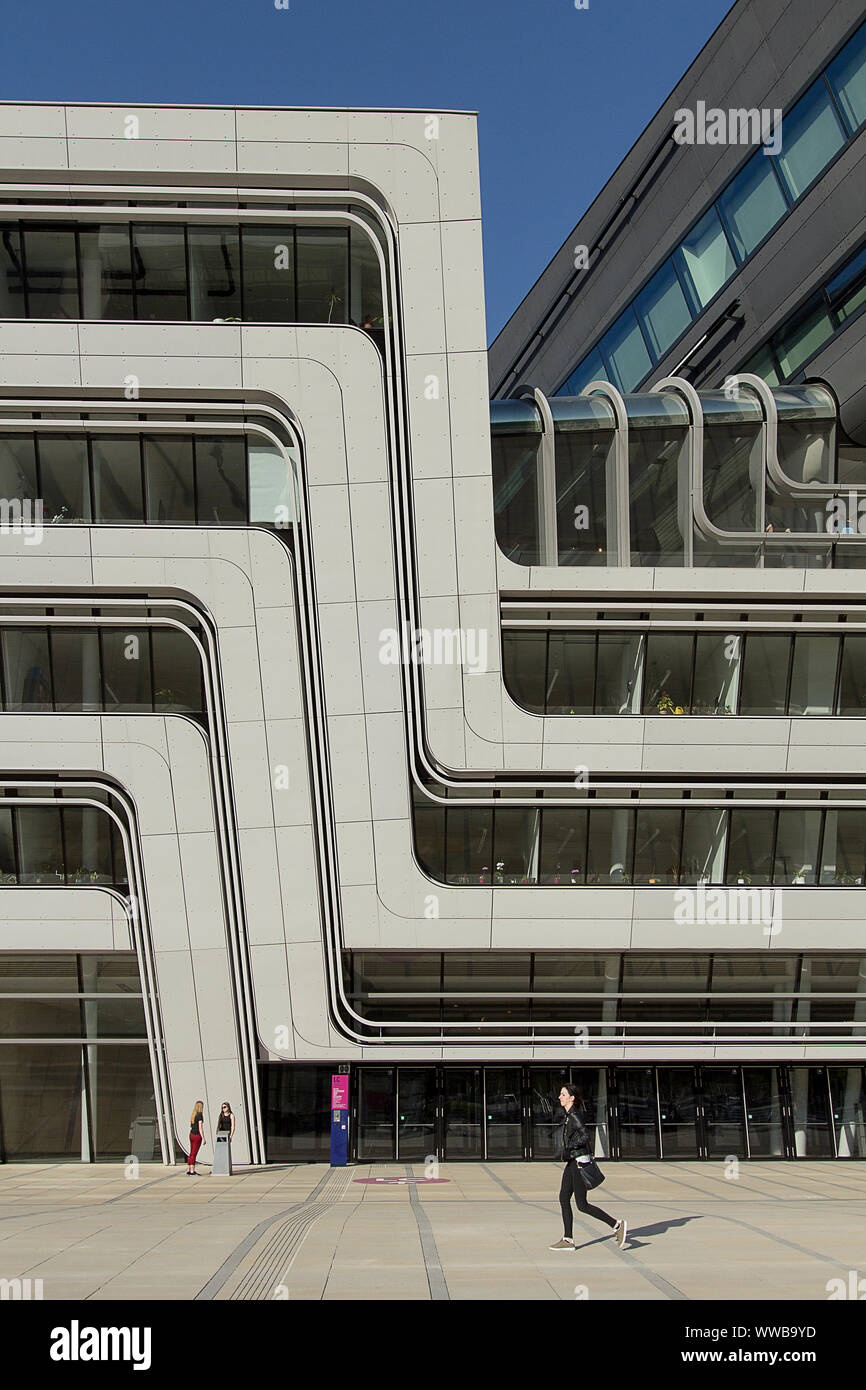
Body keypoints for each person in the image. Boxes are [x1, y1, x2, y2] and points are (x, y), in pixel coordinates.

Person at [549, 1083, 627, 1250]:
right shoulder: (569, 1115)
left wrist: (571, 1146)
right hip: (573, 1161)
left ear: (571, 1098)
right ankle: (568, 1239)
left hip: (578, 1162)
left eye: (563, 1094)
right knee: (564, 1197)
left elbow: (585, 1135)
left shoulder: (575, 1115)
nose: (559, 1097)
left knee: (582, 1205)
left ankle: (617, 1225)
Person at [188, 1100, 206, 1176]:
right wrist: (203, 1138)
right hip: (197, 1135)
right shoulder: (200, 1115)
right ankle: (192, 1170)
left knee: (191, 1152)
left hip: (191, 1134)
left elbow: (191, 1126)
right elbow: (200, 1128)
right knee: (194, 1153)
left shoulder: (193, 1115)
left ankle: (189, 1169)